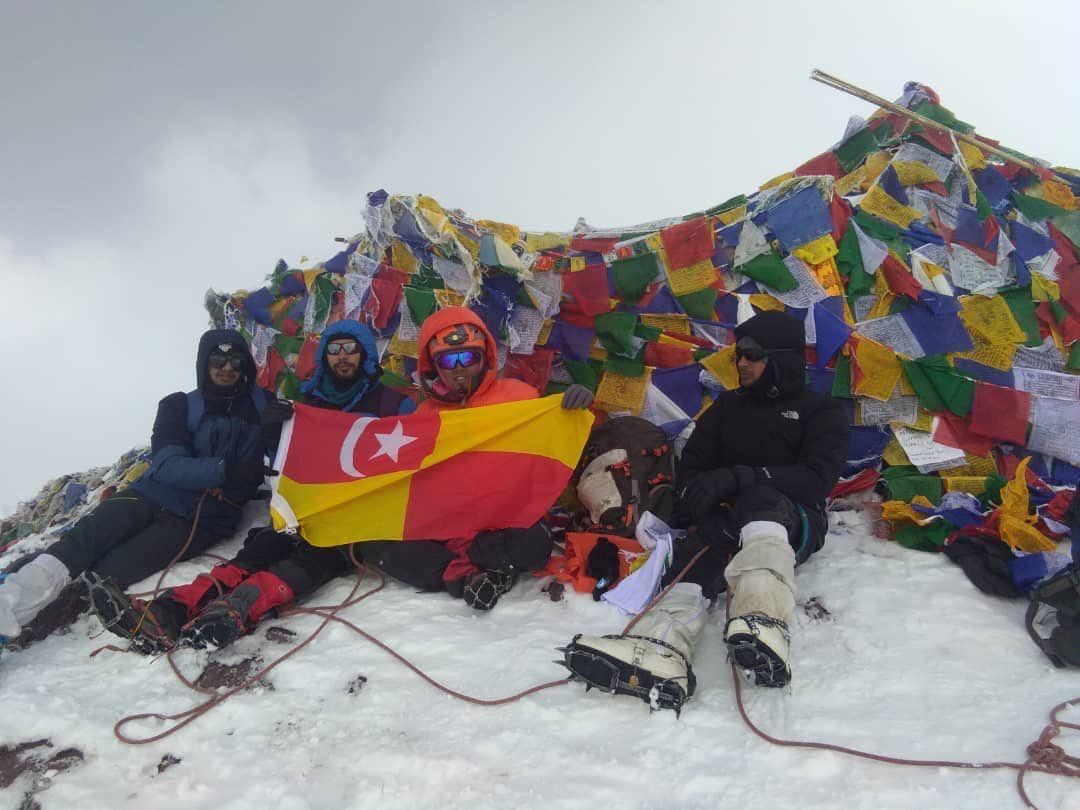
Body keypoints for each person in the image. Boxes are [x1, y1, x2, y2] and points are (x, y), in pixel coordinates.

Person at [563, 310, 850, 709]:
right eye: (738, 355)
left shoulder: (821, 411)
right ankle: (661, 648)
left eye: (751, 354)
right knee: (696, 551)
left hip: (790, 523)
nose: (742, 363)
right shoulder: (729, 407)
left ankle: (763, 620)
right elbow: (695, 464)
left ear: (781, 357)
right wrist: (703, 506)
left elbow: (815, 480)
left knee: (759, 499)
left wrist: (738, 477)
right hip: (728, 518)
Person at [90, 319, 415, 652]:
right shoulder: (309, 404)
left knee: (312, 560)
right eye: (334, 349)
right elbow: (284, 462)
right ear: (325, 356)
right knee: (258, 552)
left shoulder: (396, 405)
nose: (342, 356)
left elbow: (420, 456)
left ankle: (237, 610)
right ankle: (169, 611)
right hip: (309, 507)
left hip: (361, 514)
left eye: (351, 349)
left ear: (366, 355)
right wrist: (274, 435)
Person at [0, 329, 271, 644]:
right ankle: (8, 606)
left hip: (201, 520)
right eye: (217, 359)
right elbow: (168, 464)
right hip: (149, 494)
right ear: (203, 363)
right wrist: (226, 471)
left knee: (109, 571)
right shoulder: (179, 406)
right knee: (78, 544)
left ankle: (34, 625)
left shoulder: (265, 408)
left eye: (235, 360)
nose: (226, 367)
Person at [358, 306, 595, 611]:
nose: (459, 368)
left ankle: (457, 572)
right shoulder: (424, 416)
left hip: (504, 523)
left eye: (468, 357)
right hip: (444, 526)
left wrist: (575, 407)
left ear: (485, 357)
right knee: (374, 542)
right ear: (434, 365)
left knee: (535, 544)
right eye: (448, 360)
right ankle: (477, 574)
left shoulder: (519, 396)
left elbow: (554, 444)